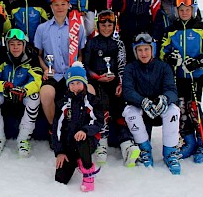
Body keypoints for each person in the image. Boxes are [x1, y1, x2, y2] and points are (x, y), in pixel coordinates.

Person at [160, 0, 203, 164]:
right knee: (181, 108)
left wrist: (199, 61)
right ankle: (188, 140)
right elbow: (163, 50)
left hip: (195, 75)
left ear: (194, 10)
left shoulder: (202, 27)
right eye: (181, 10)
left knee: (194, 107)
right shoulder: (172, 29)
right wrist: (171, 58)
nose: (184, 12)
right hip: (178, 76)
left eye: (188, 9)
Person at [83, 10, 140, 166]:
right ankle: (102, 142)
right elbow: (86, 66)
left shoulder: (119, 43)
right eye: (103, 25)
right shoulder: (92, 42)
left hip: (115, 82)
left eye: (110, 25)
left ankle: (126, 144)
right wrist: (97, 77)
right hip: (97, 82)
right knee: (102, 105)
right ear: (98, 25)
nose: (106, 28)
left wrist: (121, 82)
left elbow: (122, 64)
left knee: (122, 107)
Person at [122, 33, 181, 175]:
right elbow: (128, 91)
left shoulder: (163, 67)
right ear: (135, 51)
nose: (143, 53)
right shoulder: (130, 68)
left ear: (152, 49)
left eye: (146, 49)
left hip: (159, 107)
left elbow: (172, 90)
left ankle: (170, 152)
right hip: (142, 107)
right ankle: (144, 149)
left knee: (173, 111)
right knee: (129, 112)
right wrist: (142, 101)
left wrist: (165, 99)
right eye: (140, 50)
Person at [34, 0, 86, 144]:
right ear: (51, 7)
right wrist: (45, 68)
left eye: (63, 4)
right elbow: (38, 54)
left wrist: (77, 69)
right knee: (46, 93)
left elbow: (81, 53)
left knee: (84, 92)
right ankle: (53, 128)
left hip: (71, 74)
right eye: (56, 4)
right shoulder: (42, 28)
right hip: (53, 74)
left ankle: (76, 130)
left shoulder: (76, 27)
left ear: (69, 6)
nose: (60, 7)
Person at [0, 29, 42, 157]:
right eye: (12, 44)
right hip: (6, 91)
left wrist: (25, 90)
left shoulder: (31, 57)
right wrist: (4, 86)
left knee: (35, 97)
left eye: (18, 44)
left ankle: (23, 139)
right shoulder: (2, 56)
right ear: (7, 45)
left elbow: (37, 80)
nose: (15, 47)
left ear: (24, 45)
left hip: (22, 92)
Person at [52, 61, 103, 192]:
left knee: (81, 139)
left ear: (84, 83)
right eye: (72, 84)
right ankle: (76, 161)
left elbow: (98, 121)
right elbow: (56, 128)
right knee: (60, 179)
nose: (76, 87)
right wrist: (60, 152)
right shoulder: (63, 103)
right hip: (69, 146)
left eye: (79, 83)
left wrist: (85, 130)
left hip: (87, 141)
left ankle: (88, 171)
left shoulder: (92, 101)